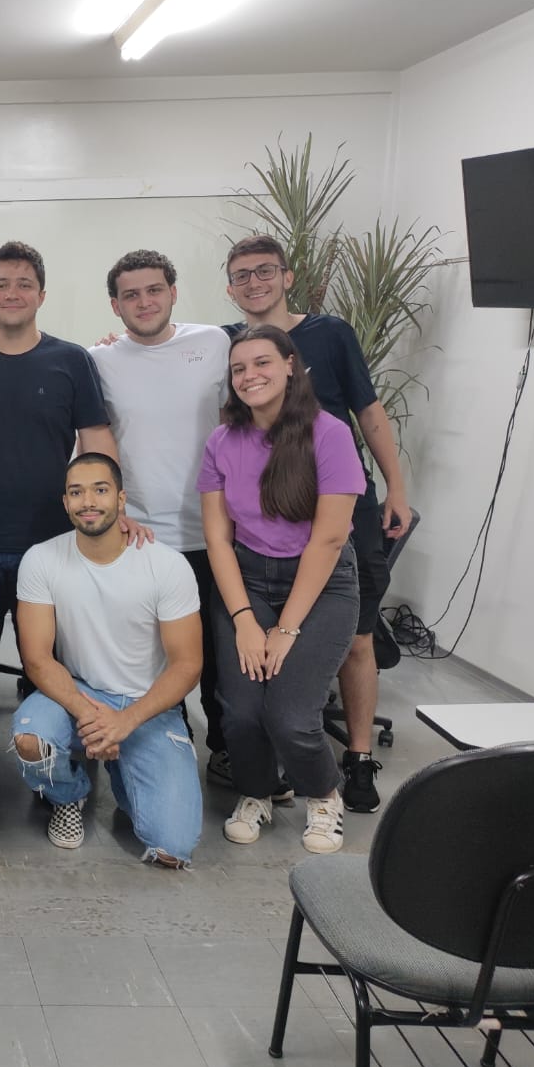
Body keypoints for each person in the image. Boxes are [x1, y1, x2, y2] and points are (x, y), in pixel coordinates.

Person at [223, 234, 409, 814]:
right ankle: (266, 762)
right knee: (256, 668)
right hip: (265, 524)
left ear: (286, 275)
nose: (254, 283)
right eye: (241, 276)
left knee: (355, 635)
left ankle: (356, 758)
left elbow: (368, 410)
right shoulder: (229, 344)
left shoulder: (330, 333)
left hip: (339, 506)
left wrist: (396, 485)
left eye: (264, 272)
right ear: (230, 289)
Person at [0, 240, 120, 727]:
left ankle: (51, 768)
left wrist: (115, 510)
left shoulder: (71, 360)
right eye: (1, 285)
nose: (13, 293)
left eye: (24, 285)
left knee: (49, 661)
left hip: (53, 541)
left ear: (41, 295)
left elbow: (95, 438)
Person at [198, 325, 365, 854]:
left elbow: (330, 538)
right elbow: (218, 541)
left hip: (321, 583)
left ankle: (323, 794)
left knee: (290, 717)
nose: (250, 376)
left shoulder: (330, 433)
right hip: (246, 578)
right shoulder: (222, 441)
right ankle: (258, 792)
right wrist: (246, 620)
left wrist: (286, 628)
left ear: (291, 365)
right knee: (241, 712)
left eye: (262, 363)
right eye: (239, 368)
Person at [90, 249, 242, 783]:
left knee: (221, 656)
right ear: (115, 305)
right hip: (142, 535)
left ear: (173, 292)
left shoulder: (215, 343)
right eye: (130, 294)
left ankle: (228, 750)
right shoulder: (100, 359)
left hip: (216, 532)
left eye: (154, 289)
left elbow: (237, 419)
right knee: (153, 655)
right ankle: (170, 745)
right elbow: (97, 437)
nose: (144, 301)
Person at [12, 454, 204, 866]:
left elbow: (188, 664)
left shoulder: (166, 565)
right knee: (32, 740)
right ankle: (69, 794)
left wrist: (124, 722)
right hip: (77, 692)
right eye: (76, 492)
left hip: (146, 705)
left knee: (173, 847)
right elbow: (37, 659)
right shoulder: (41, 559)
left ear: (121, 498)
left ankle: (126, 772)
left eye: (100, 490)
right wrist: (90, 715)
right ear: (64, 503)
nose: (88, 501)